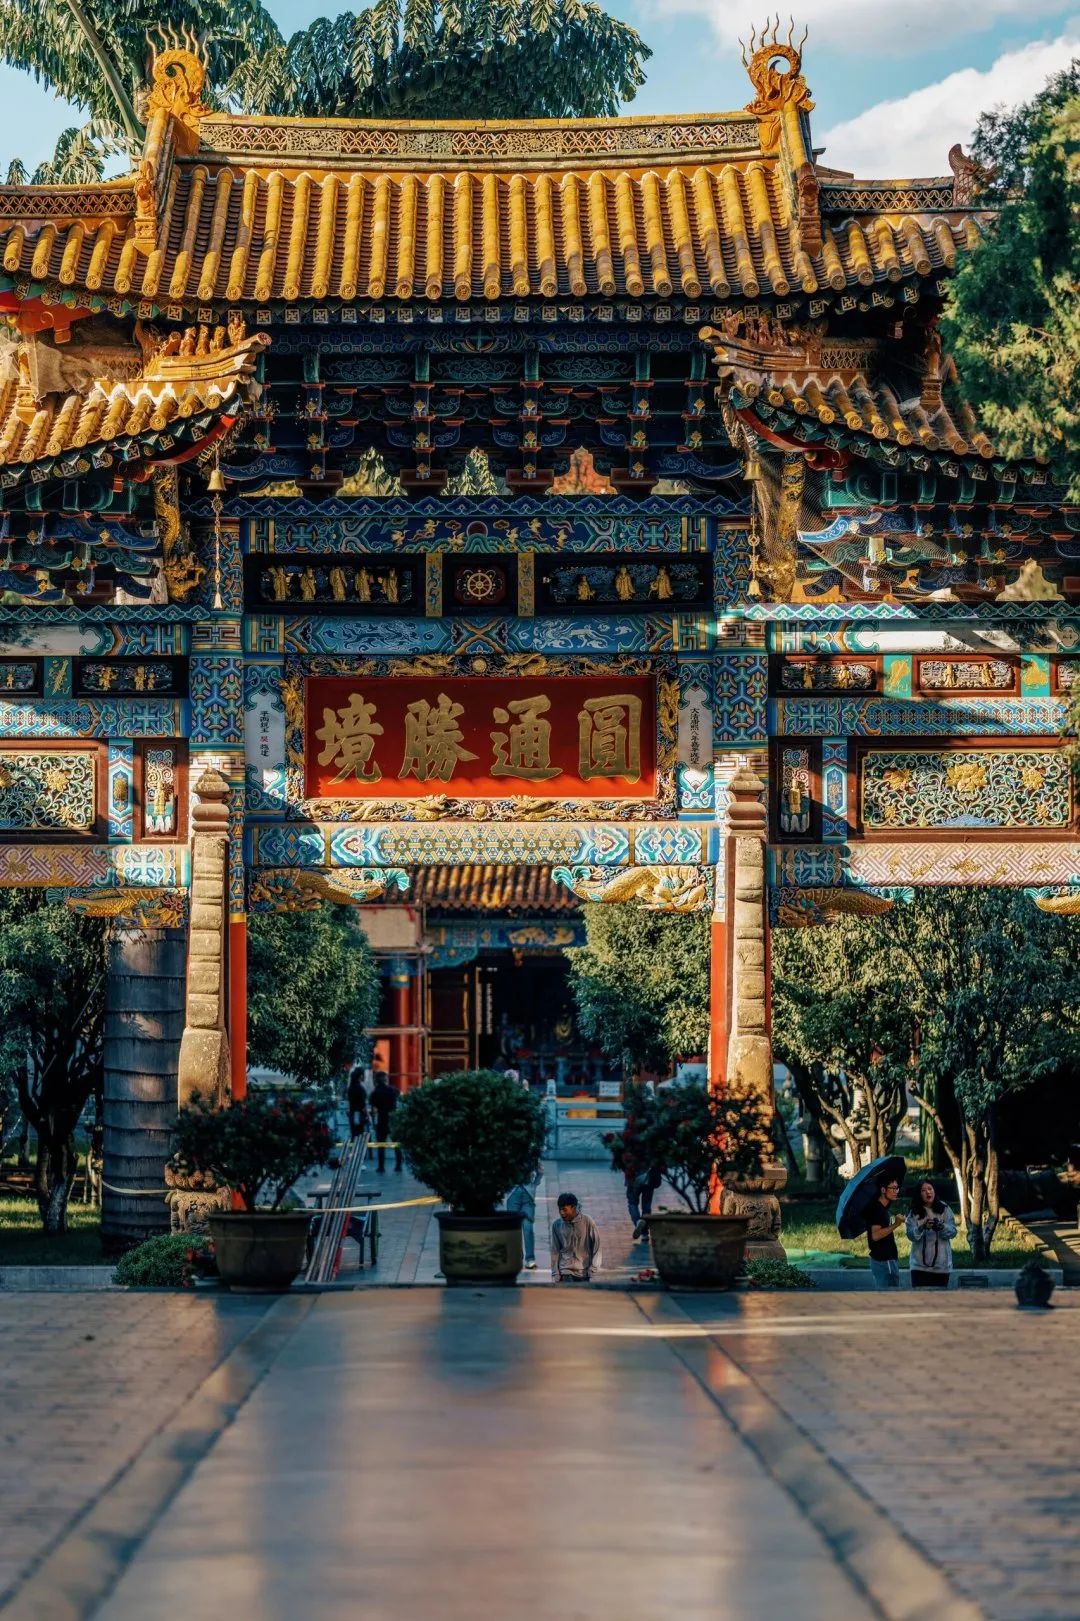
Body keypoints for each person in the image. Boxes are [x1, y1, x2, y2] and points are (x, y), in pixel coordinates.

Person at [906, 1180, 957, 1288]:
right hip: (919, 1267)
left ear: (934, 1191)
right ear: (919, 1194)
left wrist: (942, 1227)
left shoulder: (944, 1208)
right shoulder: (914, 1212)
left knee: (940, 1298)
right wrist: (921, 1227)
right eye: (923, 1190)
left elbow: (953, 1232)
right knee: (919, 1297)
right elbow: (910, 1235)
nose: (928, 1192)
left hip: (942, 1266)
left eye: (930, 1189)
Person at [550, 1192, 602, 1284]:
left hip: (584, 1272)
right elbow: (555, 1250)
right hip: (565, 1272)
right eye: (560, 1210)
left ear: (573, 1208)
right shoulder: (556, 1225)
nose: (562, 1213)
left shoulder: (587, 1221)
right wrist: (555, 1272)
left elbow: (597, 1246)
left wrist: (594, 1267)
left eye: (565, 1210)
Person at [866, 1172, 904, 1289]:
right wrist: (896, 1224)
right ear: (883, 1190)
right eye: (893, 1188)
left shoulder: (881, 1208)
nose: (896, 1191)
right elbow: (875, 1235)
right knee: (890, 1295)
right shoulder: (877, 1209)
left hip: (885, 1260)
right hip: (884, 1261)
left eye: (897, 1188)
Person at [506, 1168, 541, 1270]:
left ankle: (530, 1259)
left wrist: (534, 1184)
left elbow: (540, 1170)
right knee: (513, 1227)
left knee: (528, 1228)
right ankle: (517, 1256)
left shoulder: (532, 1157)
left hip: (528, 1193)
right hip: (513, 1192)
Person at [371, 1071, 402, 1172]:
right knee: (396, 1143)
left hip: (381, 1119)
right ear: (385, 1079)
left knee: (381, 1144)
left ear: (376, 1080)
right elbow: (399, 1094)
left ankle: (381, 1166)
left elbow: (373, 1108)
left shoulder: (375, 1093)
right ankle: (398, 1165)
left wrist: (373, 1122)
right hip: (392, 1118)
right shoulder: (393, 1090)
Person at [346, 1067, 369, 1141]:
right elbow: (362, 1105)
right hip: (359, 1115)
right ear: (361, 1076)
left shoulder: (350, 1088)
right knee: (360, 1136)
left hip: (352, 1114)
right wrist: (367, 1116)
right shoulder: (360, 1089)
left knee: (354, 1135)